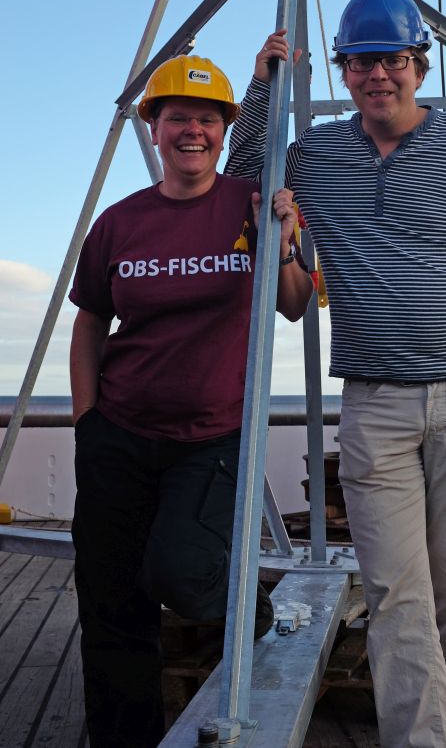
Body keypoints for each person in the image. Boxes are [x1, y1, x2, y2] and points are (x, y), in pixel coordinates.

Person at [225, 0, 446, 748]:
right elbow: (245, 174)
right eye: (362, 62)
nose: (379, 75)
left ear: (419, 65)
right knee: (395, 591)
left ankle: (440, 733)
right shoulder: (317, 155)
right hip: (374, 401)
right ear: (343, 71)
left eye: (393, 61)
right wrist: (261, 87)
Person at [69, 53, 313, 748]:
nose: (192, 130)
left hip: (212, 438)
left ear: (223, 130)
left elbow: (295, 307)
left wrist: (286, 240)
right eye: (177, 116)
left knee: (182, 569)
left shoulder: (253, 205)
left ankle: (256, 618)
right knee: (111, 599)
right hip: (118, 432)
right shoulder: (121, 222)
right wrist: (87, 422)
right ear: (154, 126)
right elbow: (90, 322)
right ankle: (124, 736)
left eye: (207, 118)